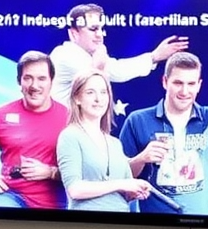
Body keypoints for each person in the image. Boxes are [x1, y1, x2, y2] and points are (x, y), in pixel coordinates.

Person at [117, 52, 208, 216]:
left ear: (199, 85)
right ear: (165, 82)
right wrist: (142, 158)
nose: (185, 91)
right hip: (157, 226)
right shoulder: (138, 120)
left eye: (191, 84)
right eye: (178, 83)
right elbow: (121, 176)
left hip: (207, 222)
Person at [0, 51, 69, 209]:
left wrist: (50, 172)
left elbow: (84, 168)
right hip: (12, 195)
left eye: (41, 78)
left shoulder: (69, 118)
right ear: (19, 81)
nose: (34, 86)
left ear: (51, 81)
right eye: (28, 78)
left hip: (55, 200)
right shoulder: (0, 116)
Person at [48, 3, 189, 108]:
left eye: (101, 29)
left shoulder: (90, 55)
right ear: (74, 34)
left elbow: (116, 69)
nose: (99, 34)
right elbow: (100, 76)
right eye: (93, 29)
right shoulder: (65, 55)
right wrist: (154, 56)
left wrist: (154, 57)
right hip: (59, 133)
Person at [55, 72, 150, 213]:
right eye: (90, 92)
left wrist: (134, 191)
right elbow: (75, 190)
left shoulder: (115, 143)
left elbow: (123, 193)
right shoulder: (70, 136)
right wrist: (122, 184)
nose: (98, 99)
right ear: (77, 98)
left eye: (103, 92)